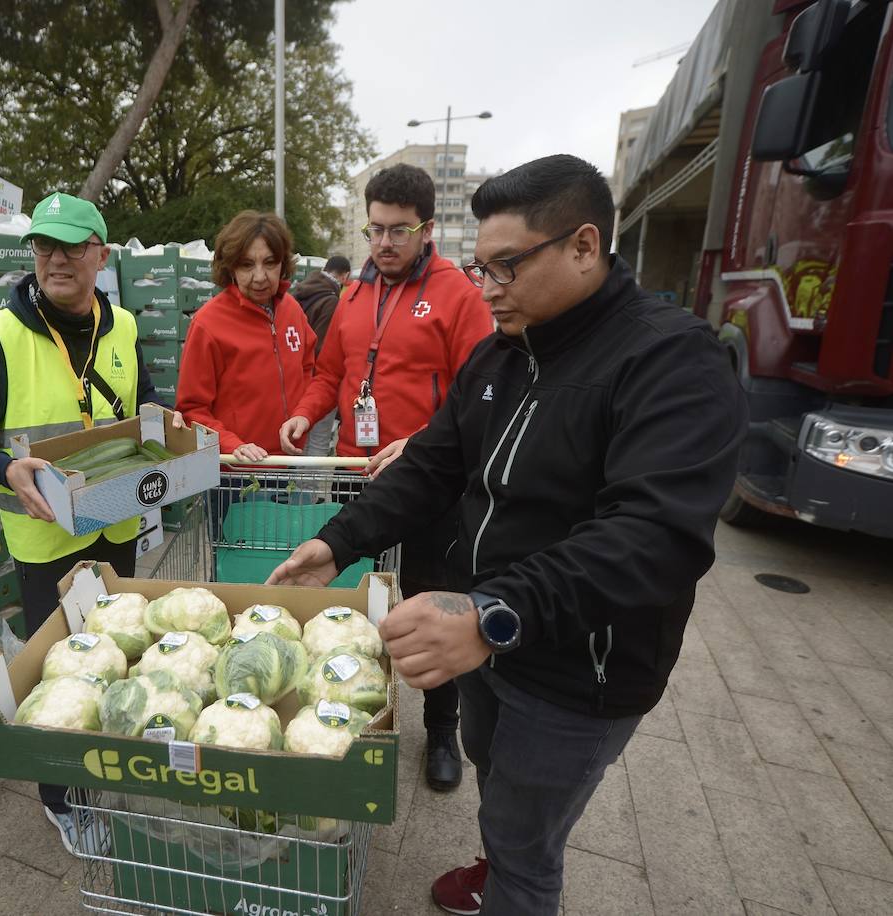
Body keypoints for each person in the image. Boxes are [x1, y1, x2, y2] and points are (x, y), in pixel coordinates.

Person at [267, 154, 746, 915]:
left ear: (584, 246)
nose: (486, 290)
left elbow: (654, 537)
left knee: (530, 843)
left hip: (579, 671)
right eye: (479, 267)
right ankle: (498, 858)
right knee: (496, 775)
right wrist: (338, 540)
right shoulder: (502, 355)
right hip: (488, 636)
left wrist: (493, 615)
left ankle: (513, 880)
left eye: (506, 268)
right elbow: (432, 466)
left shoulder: (671, 360)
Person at [0, 191, 182, 855]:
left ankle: (113, 752)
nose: (56, 258)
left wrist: (173, 427)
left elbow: (146, 404)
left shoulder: (125, 326)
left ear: (100, 255)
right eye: (45, 246)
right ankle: (62, 798)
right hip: (45, 539)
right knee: (57, 672)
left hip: (115, 524)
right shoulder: (2, 334)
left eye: (72, 246)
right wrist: (1, 467)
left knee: (119, 647)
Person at [279, 163, 491, 792]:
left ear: (427, 228)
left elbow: (480, 398)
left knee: (432, 601)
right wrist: (303, 413)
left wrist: (417, 442)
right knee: (356, 598)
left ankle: (442, 729)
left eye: (400, 231)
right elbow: (330, 374)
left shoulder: (459, 297)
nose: (385, 244)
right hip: (354, 473)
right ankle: (352, 698)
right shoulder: (351, 294)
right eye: (375, 230)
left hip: (430, 482)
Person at [177, 210, 316, 463]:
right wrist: (232, 445)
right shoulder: (208, 323)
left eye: (270, 263)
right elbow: (191, 409)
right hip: (237, 471)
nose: (260, 277)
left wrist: (303, 412)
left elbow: (308, 368)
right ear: (230, 267)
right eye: (247, 264)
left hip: (291, 461)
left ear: (283, 264)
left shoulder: (292, 310)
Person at [290, 254, 351, 456]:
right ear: (344, 276)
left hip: (295, 379)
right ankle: (310, 489)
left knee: (297, 437)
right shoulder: (332, 302)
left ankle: (294, 487)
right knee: (318, 441)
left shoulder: (300, 291)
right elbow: (325, 348)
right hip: (319, 383)